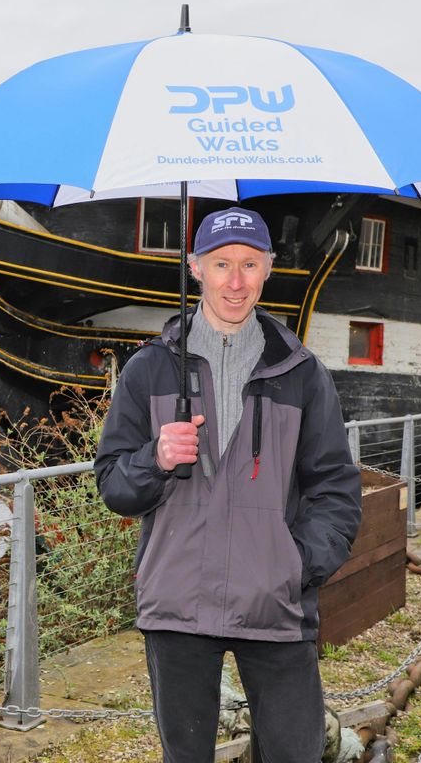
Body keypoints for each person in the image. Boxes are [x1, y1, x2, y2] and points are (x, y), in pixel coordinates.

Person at [94, 206, 362, 762]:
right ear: (195, 268)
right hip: (177, 606)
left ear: (268, 270)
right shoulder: (149, 370)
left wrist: (296, 565)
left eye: (249, 264)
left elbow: (335, 487)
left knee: (295, 755)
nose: (235, 282)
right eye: (221, 264)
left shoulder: (301, 373)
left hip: (276, 604)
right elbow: (115, 486)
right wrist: (155, 458)